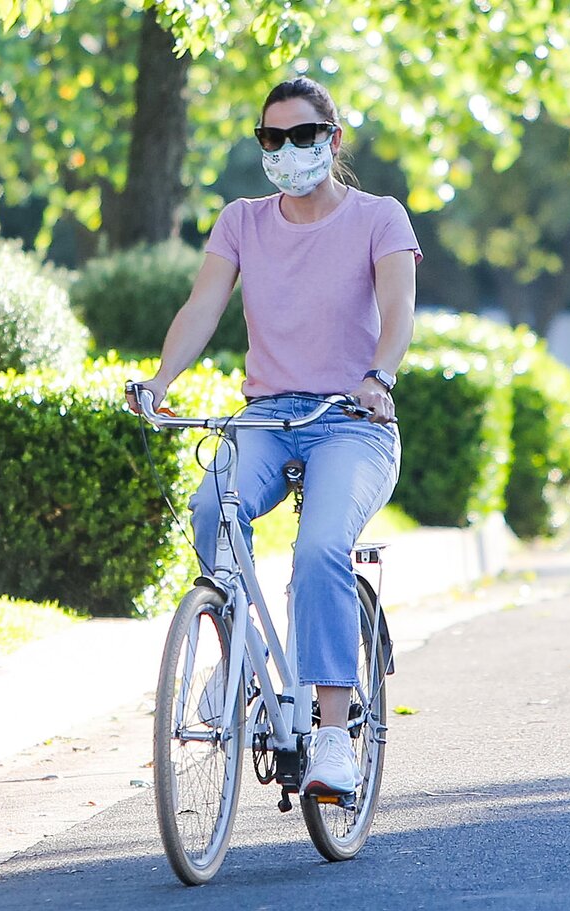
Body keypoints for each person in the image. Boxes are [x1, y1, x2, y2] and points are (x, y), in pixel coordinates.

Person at [126, 76, 421, 797]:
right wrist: (160, 381)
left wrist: (378, 375)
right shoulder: (241, 221)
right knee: (208, 508)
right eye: (271, 138)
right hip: (265, 416)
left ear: (332, 138)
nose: (286, 150)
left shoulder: (379, 217)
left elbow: (397, 308)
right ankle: (233, 657)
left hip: (350, 421)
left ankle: (330, 735)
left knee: (320, 546)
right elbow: (202, 306)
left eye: (301, 135)